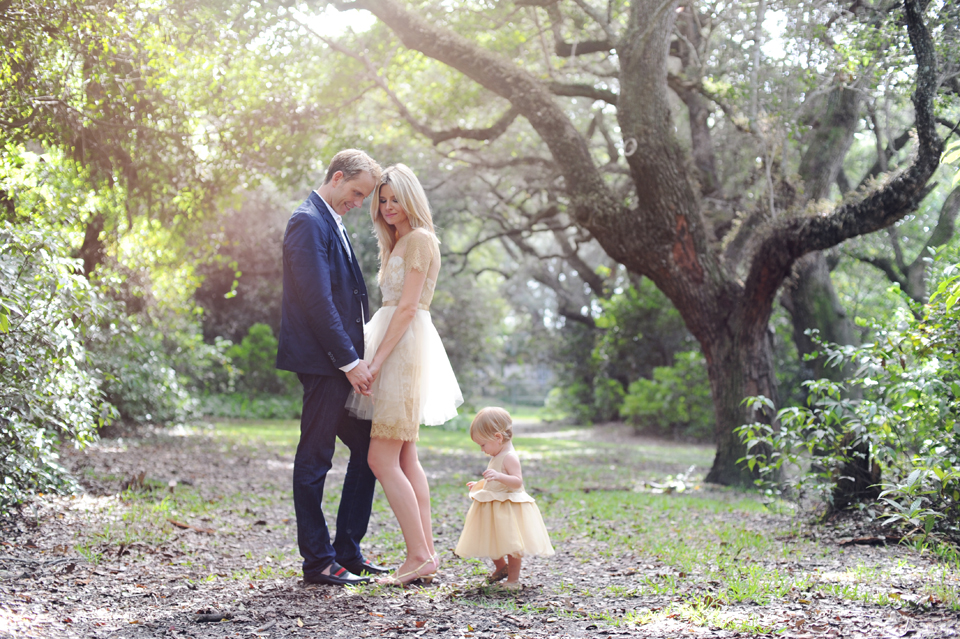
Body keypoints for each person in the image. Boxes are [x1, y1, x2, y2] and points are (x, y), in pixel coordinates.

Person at [345, 163, 463, 586]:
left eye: (396, 198)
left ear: (411, 199)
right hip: (397, 343)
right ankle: (426, 554)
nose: (388, 206)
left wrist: (374, 363)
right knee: (407, 457)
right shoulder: (398, 241)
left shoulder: (417, 241)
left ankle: (418, 555)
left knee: (381, 457)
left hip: (403, 348)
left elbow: (409, 307)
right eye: (383, 198)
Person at [276, 149, 389, 586]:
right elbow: (317, 301)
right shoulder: (307, 220)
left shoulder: (331, 220)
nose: (360, 202)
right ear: (338, 177)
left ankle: (347, 551)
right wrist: (349, 361)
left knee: (368, 451)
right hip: (324, 364)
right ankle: (318, 561)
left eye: (365, 197)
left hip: (338, 363)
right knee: (315, 459)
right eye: (357, 192)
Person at [454, 407, 554, 590]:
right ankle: (501, 568)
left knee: (512, 545)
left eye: (483, 445)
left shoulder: (509, 457)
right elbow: (495, 479)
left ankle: (513, 579)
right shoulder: (498, 453)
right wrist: (480, 483)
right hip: (496, 506)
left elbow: (517, 482)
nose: (482, 450)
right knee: (491, 539)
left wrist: (498, 476)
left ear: (498, 437)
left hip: (508, 507)